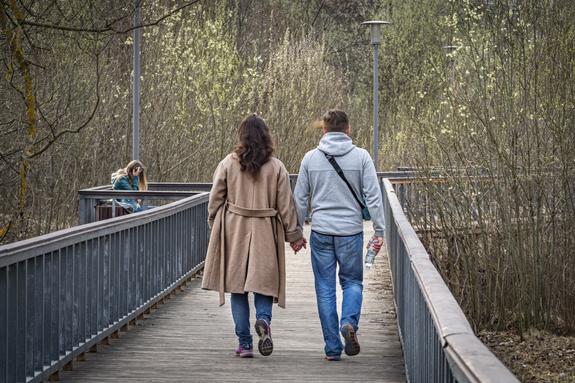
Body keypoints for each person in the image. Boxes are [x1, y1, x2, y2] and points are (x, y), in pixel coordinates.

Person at [201, 114, 306, 358]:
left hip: (234, 229)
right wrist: (294, 235)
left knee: (237, 289)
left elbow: (215, 198)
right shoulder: (277, 167)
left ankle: (245, 343)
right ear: (266, 136)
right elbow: (286, 205)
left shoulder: (228, 163)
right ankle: (263, 320)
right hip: (265, 230)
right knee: (264, 285)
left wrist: (213, 223)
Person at [293, 109, 385, 361]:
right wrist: (379, 229)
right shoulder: (362, 157)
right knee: (352, 282)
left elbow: (300, 198)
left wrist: (297, 231)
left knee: (325, 288)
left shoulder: (310, 158)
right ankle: (349, 323)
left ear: (324, 130)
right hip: (350, 232)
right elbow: (374, 196)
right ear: (348, 129)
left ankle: (332, 348)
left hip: (321, 231)